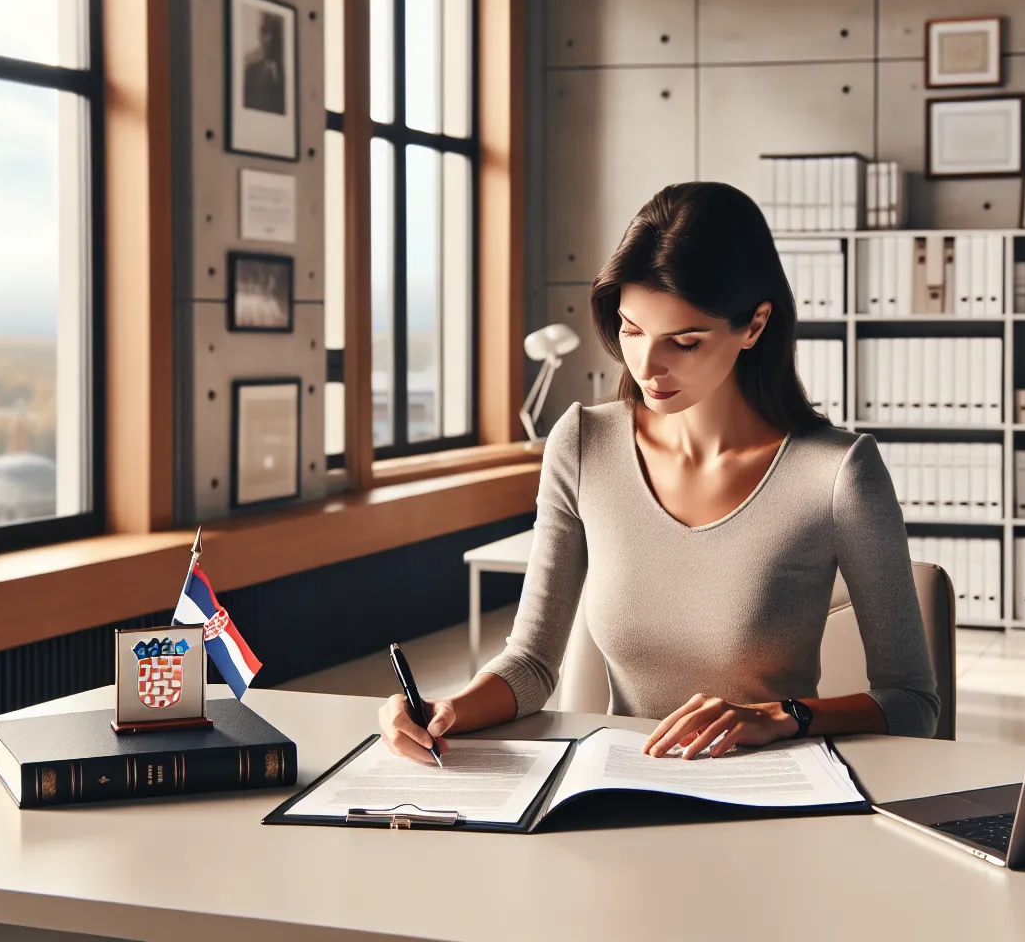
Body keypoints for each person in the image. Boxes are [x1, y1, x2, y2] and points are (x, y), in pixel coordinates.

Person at [378, 182, 938, 762]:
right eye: (631, 330)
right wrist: (446, 711)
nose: (647, 366)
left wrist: (784, 716)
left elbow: (913, 703)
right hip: (627, 785)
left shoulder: (837, 472)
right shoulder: (583, 443)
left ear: (755, 325)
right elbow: (531, 663)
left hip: (772, 791)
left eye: (685, 342)